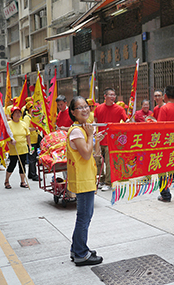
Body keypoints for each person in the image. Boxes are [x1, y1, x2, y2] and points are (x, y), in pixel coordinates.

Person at [67, 96, 104, 266]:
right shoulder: (76, 131)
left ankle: (78, 249)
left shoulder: (83, 129)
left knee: (85, 215)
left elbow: (93, 153)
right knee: (84, 216)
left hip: (87, 177)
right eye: (80, 107)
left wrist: (96, 138)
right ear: (73, 112)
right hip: (82, 179)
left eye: (86, 106)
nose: (85, 110)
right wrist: (90, 136)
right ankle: (81, 254)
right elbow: (86, 154)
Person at [94, 88, 127, 191]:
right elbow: (95, 122)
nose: (113, 97)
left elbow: (126, 121)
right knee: (98, 161)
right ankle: (101, 179)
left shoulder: (119, 109)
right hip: (100, 139)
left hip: (112, 140)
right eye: (110, 95)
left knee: (109, 162)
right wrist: (94, 132)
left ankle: (109, 183)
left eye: (114, 95)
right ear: (105, 96)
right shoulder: (98, 108)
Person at [4, 106, 32, 189]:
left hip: (23, 148)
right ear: (12, 114)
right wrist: (10, 141)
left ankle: (23, 181)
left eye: (19, 112)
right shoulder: (9, 124)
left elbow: (28, 136)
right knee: (12, 165)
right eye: (16, 112)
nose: (18, 114)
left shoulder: (23, 123)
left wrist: (29, 145)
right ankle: (6, 181)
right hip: (14, 149)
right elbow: (6, 136)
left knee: (22, 165)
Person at [23, 102, 39, 181]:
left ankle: (30, 174)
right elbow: (26, 128)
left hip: (35, 140)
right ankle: (34, 175)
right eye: (32, 108)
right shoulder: (27, 117)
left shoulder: (34, 117)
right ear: (29, 109)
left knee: (34, 157)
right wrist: (35, 128)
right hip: (31, 142)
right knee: (32, 158)